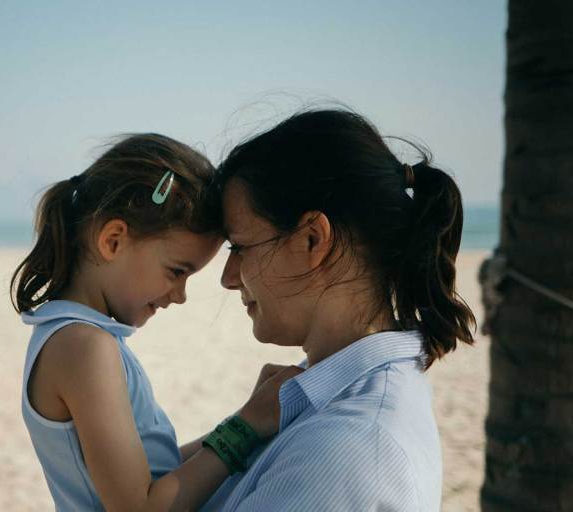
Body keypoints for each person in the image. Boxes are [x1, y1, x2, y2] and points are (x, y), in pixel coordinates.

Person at [204, 108, 476, 511]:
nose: (227, 277)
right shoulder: (339, 400)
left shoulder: (342, 447)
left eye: (239, 247)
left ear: (313, 239)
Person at [11, 133, 300, 511]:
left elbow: (153, 477)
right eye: (177, 271)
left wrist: (247, 420)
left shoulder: (75, 337)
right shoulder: (83, 347)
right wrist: (246, 426)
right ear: (113, 241)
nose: (179, 295)